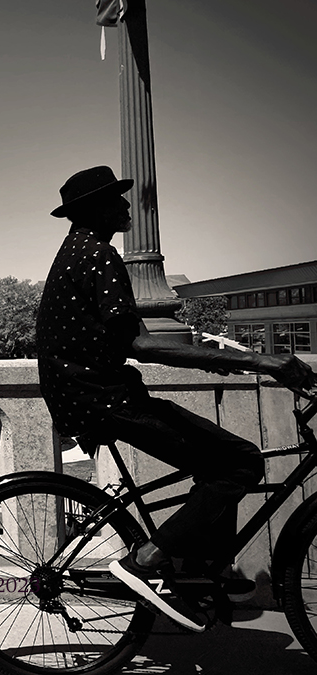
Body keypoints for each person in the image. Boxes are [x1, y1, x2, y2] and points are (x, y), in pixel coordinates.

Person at [36, 165, 316, 632]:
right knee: (240, 462)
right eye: (115, 199)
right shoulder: (99, 256)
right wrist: (260, 362)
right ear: (93, 209)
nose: (126, 207)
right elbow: (139, 345)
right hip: (103, 399)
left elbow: (130, 336)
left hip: (87, 395)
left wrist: (217, 358)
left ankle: (201, 568)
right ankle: (147, 559)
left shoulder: (76, 252)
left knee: (216, 464)